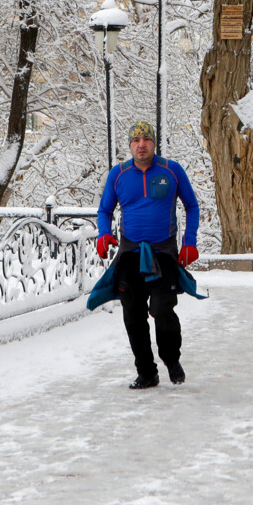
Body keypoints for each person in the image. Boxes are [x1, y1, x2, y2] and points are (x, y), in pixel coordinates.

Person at [87, 120, 203, 389]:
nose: (142, 144)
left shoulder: (171, 170)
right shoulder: (118, 174)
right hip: (130, 253)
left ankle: (171, 359)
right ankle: (146, 372)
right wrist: (103, 233)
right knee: (133, 315)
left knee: (162, 309)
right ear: (130, 145)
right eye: (136, 140)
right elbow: (104, 210)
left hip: (163, 252)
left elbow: (192, 205)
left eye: (147, 139)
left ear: (154, 143)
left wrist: (190, 241)